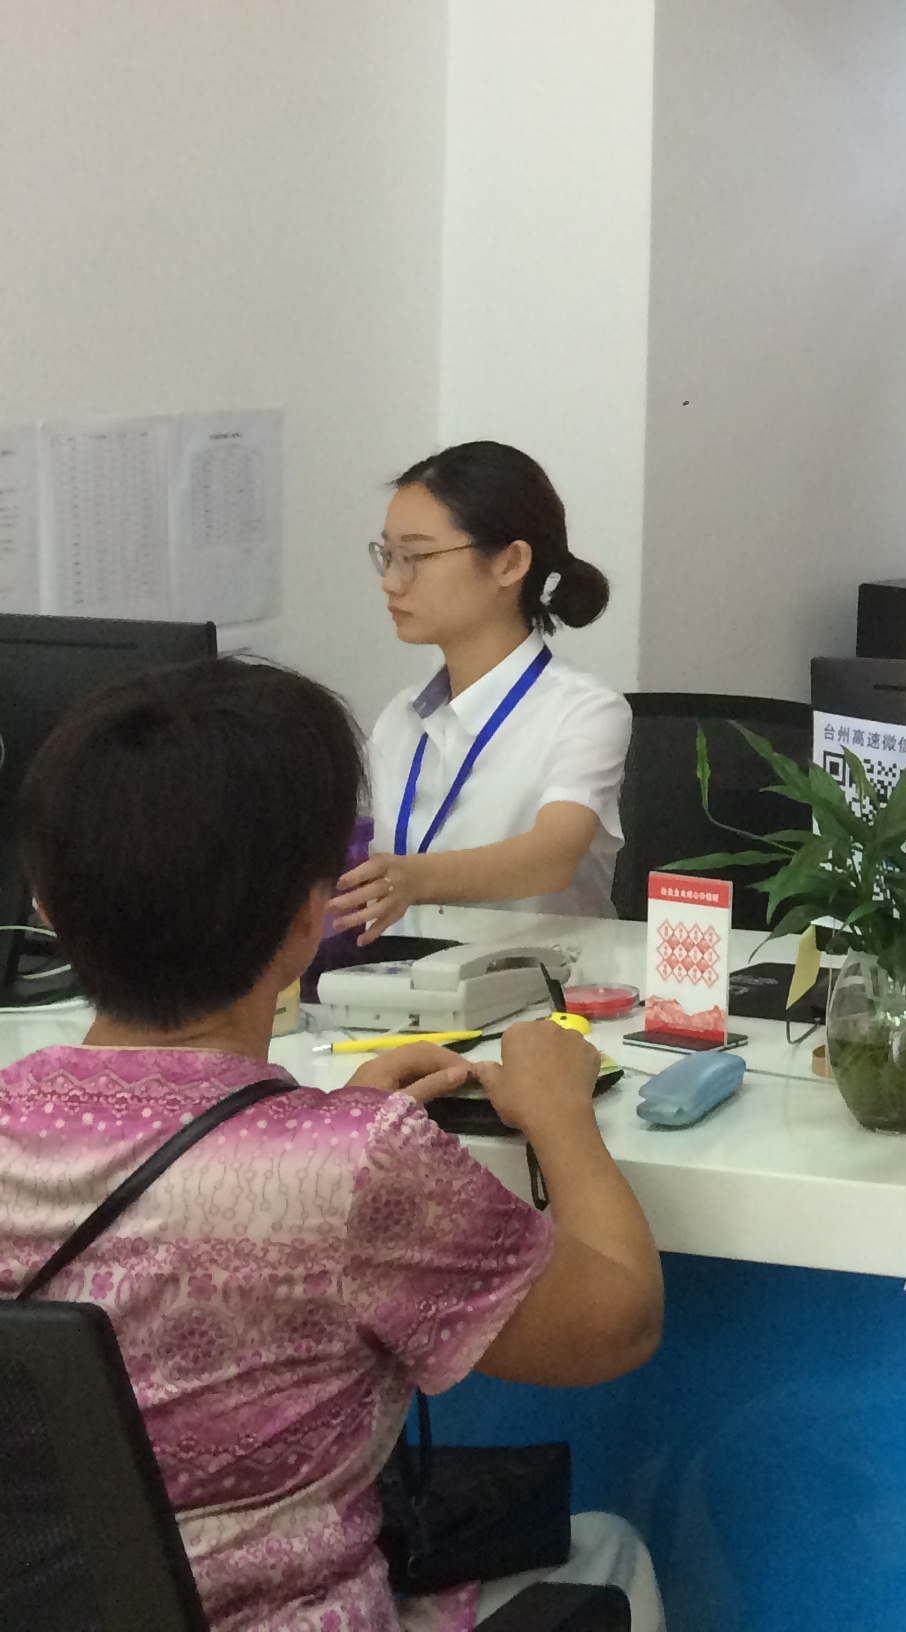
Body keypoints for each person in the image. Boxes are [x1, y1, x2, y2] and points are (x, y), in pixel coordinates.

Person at [0, 657, 666, 1632]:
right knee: (609, 1555)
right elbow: (618, 1321)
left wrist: (317, 1125)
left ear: (48, 911)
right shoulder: (352, 1170)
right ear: (308, 921)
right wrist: (560, 1112)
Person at [333, 441, 630, 944]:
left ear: (509, 563)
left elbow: (551, 857)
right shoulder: (400, 718)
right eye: (388, 556)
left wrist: (415, 879)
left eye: (416, 556)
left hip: (547, 982)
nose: (391, 582)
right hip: (404, 980)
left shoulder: (585, 712)